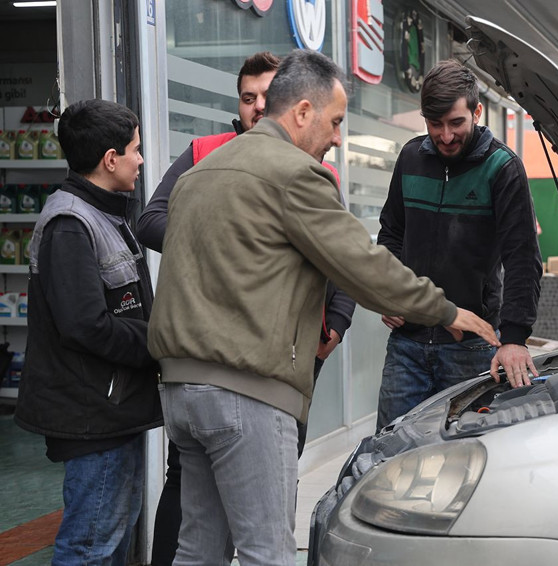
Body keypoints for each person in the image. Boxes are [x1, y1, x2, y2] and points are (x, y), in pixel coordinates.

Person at [147, 49, 499, 566]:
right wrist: (445, 311)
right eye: (335, 121)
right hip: (247, 393)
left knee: (198, 551)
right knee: (268, 552)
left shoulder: (204, 169)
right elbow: (362, 264)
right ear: (303, 112)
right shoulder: (294, 174)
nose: (337, 136)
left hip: (182, 392)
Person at [137, 51, 355, 566]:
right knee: (255, 541)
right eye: (247, 97)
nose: (257, 106)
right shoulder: (205, 154)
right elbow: (150, 220)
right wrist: (226, 236)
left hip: (288, 357)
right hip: (229, 367)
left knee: (239, 518)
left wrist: (339, 323)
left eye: (265, 95)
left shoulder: (313, 168)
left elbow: (345, 259)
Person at [13, 99, 161, 565]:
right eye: (135, 150)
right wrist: (159, 343)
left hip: (114, 409)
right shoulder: (70, 224)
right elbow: (85, 326)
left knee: (111, 538)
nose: (141, 159)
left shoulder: (109, 213)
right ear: (110, 159)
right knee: (90, 547)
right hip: (93, 415)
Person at [375, 59, 544, 431]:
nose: (446, 136)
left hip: (473, 349)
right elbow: (390, 235)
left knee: (467, 457)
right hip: (407, 347)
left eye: (456, 123)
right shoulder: (410, 158)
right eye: (435, 125)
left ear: (477, 112)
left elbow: (523, 258)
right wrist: (387, 294)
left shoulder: (503, 168)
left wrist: (514, 338)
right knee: (388, 455)